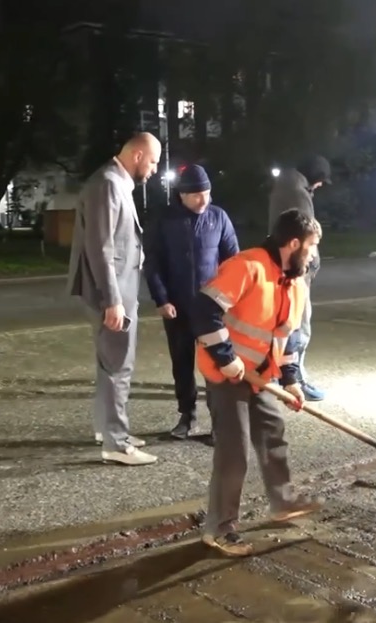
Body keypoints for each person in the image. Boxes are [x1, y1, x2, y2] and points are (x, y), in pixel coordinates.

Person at [191, 208, 326, 556]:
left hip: (260, 377)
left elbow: (287, 337)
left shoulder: (295, 284)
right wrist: (227, 358)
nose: (313, 255)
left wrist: (291, 381)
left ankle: (283, 502)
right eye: (310, 247)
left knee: (272, 435)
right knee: (234, 453)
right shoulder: (247, 266)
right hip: (226, 374)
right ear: (293, 244)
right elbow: (203, 312)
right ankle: (219, 529)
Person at [66, 133, 162, 466]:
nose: (154, 169)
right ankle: (116, 443)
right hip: (112, 293)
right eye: (153, 162)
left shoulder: (114, 181)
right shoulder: (108, 183)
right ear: (138, 155)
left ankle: (106, 430)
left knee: (109, 364)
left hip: (117, 290)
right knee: (118, 365)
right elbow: (101, 247)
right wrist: (112, 300)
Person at [144, 164, 239, 440]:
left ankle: (219, 422)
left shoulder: (218, 217)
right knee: (182, 363)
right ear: (182, 195)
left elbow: (233, 262)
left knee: (216, 364)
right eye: (196, 195)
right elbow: (153, 264)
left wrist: (229, 300)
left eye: (206, 194)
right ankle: (187, 416)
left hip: (211, 309)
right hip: (177, 307)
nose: (203, 200)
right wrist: (162, 299)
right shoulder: (164, 220)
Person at [268, 155, 332, 402]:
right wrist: (310, 263)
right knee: (299, 323)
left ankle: (278, 376)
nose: (321, 186)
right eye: (321, 180)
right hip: (295, 268)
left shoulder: (284, 186)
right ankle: (296, 380)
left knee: (285, 321)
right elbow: (307, 235)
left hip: (282, 264)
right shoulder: (297, 193)